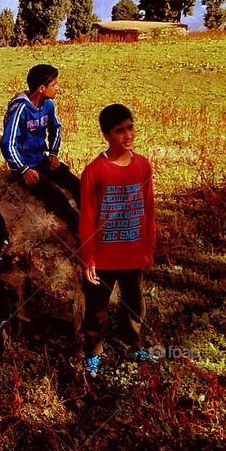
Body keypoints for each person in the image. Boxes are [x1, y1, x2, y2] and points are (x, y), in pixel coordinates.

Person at [77, 103, 157, 378]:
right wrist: (89, 258)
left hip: (133, 254)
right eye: (119, 130)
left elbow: (149, 211)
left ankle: (133, 345)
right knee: (97, 309)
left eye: (130, 127)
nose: (127, 135)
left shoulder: (143, 166)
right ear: (106, 135)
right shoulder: (94, 171)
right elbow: (87, 218)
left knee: (134, 303)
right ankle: (93, 353)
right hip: (103, 259)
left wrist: (149, 250)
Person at [0, 64, 80, 234]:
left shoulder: (48, 105)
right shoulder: (20, 108)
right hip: (24, 165)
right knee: (55, 196)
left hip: (41, 158)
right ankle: (79, 231)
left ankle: (93, 217)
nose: (57, 88)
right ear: (42, 88)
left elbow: (56, 127)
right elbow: (7, 143)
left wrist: (53, 153)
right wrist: (23, 169)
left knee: (74, 183)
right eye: (54, 84)